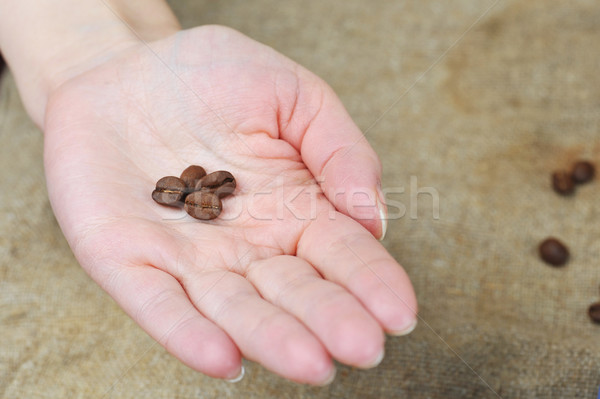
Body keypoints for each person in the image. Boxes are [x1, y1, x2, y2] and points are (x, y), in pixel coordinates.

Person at [0, 0, 417, 385]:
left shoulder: (203, 188)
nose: (196, 195)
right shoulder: (188, 191)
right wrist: (83, 57)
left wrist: (103, 49)